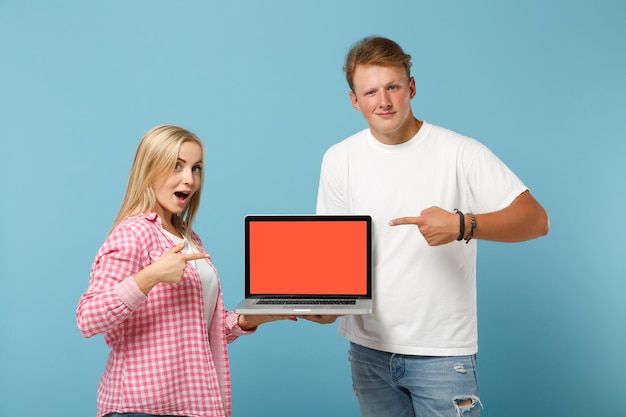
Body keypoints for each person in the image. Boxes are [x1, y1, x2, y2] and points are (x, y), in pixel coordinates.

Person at [313, 37, 550, 417]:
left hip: (441, 355)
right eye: (370, 92)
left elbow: (536, 220)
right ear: (355, 101)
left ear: (412, 87)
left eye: (392, 87)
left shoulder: (460, 152)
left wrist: (461, 224)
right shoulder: (339, 159)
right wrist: (328, 305)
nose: (383, 101)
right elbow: (335, 255)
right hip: (368, 351)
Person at [76, 125, 295, 417]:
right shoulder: (134, 232)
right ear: (149, 169)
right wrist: (150, 276)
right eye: (176, 166)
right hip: (142, 409)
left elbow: (195, 330)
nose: (189, 179)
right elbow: (88, 318)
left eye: (196, 168)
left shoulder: (187, 237)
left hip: (193, 405)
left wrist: (253, 317)